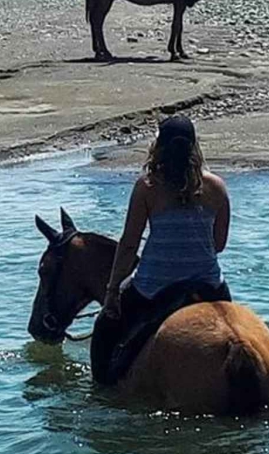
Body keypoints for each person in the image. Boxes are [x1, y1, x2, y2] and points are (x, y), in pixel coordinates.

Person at [90, 114, 232, 384]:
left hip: (154, 287)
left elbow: (130, 244)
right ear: (194, 147)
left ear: (159, 148)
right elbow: (219, 245)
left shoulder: (147, 187)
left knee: (105, 328)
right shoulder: (217, 187)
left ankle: (102, 391)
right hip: (209, 286)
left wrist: (111, 293)